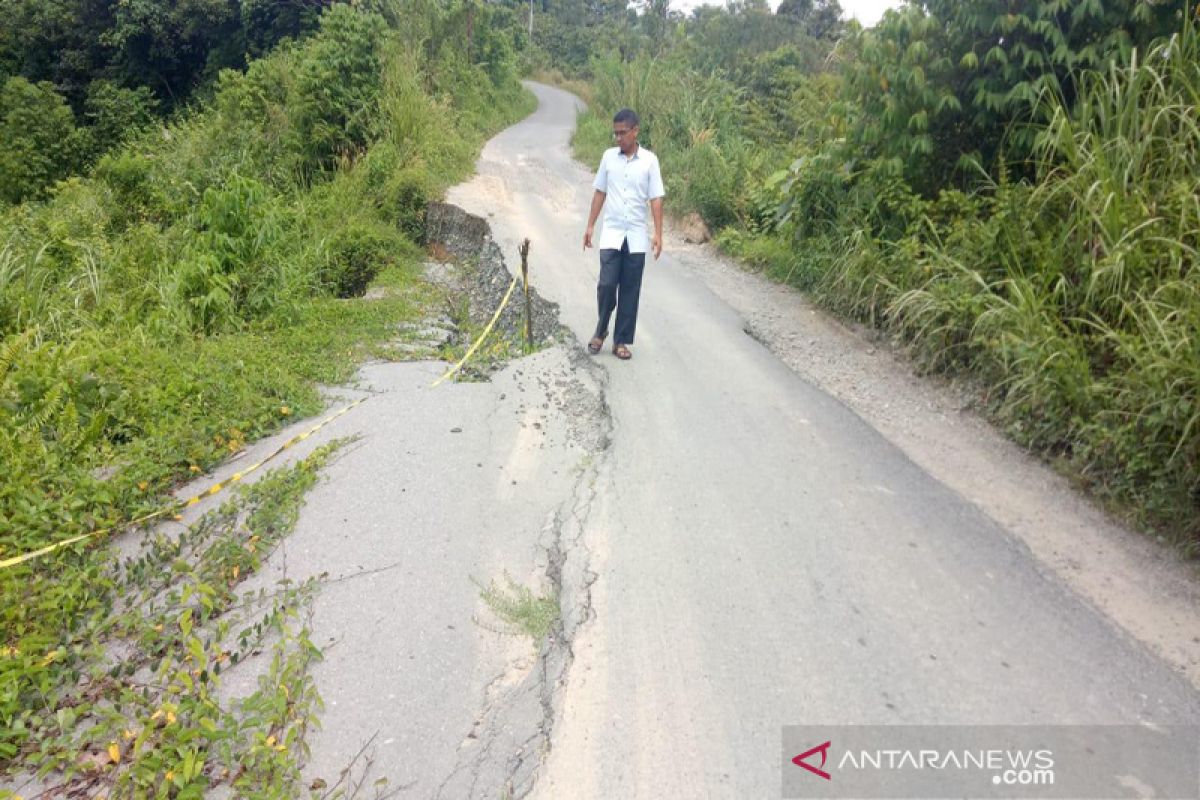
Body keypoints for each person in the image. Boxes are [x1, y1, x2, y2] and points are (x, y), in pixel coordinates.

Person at [582, 108, 664, 361]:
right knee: (606, 285)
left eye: (623, 133)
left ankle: (621, 341)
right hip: (612, 234)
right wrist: (590, 225)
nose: (618, 138)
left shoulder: (650, 161)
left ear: (635, 131)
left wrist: (658, 234)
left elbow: (656, 199)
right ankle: (601, 328)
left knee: (630, 289)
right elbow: (600, 192)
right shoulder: (609, 158)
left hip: (637, 236)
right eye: (615, 133)